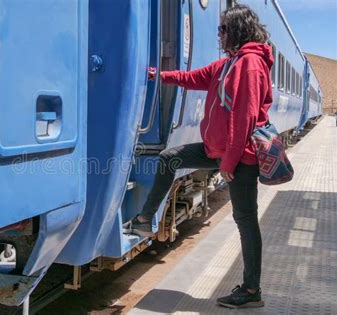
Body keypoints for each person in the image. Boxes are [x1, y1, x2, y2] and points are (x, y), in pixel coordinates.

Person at [125, 4, 273, 309]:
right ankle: (144, 219)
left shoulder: (250, 64)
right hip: (216, 151)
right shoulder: (229, 64)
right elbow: (193, 77)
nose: (218, 34)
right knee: (170, 157)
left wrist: (229, 164)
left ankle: (251, 290)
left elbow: (243, 118)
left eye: (221, 29)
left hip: (240, 157)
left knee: (245, 221)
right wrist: (156, 74)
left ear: (235, 30)